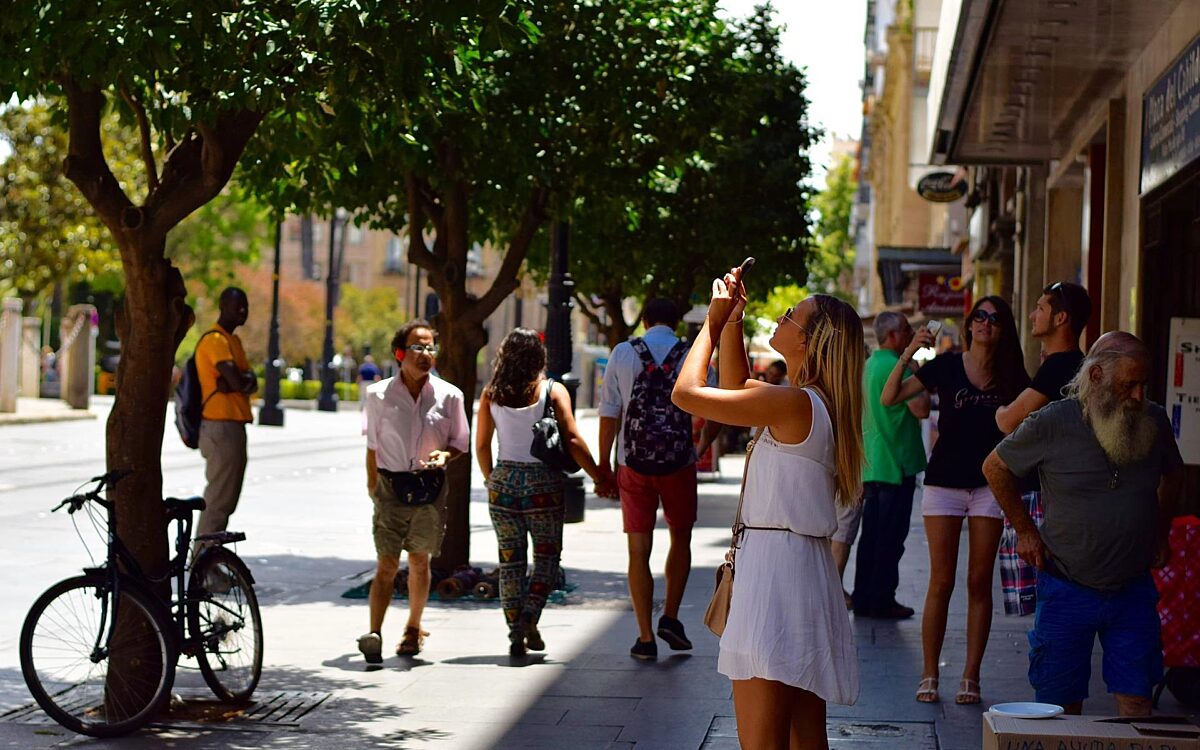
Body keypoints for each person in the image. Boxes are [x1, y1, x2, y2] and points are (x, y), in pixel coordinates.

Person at [673, 268, 863, 749]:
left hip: (775, 575)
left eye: (790, 317)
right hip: (801, 570)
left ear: (810, 342)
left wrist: (711, 326)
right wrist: (735, 320)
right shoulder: (811, 404)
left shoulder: (795, 404)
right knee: (804, 740)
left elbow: (686, 394)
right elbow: (739, 390)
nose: (779, 318)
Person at [983, 332, 1183, 717]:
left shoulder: (1153, 419)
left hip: (1132, 587)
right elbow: (995, 467)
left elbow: (1174, 475)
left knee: (1138, 702)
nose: (1139, 396)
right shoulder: (1054, 420)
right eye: (1128, 385)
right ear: (1095, 377)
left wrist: (1161, 531)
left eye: (1144, 384)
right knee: (1059, 708)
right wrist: (1025, 531)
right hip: (1065, 586)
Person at [881, 296, 1029, 705]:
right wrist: (910, 352)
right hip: (944, 483)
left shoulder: (1012, 374)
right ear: (968, 325)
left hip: (989, 485)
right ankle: (929, 674)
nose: (985, 323)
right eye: (979, 316)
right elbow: (889, 397)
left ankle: (971, 676)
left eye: (994, 318)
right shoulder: (945, 366)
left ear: (1003, 329)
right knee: (941, 580)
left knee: (979, 582)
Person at [475, 329, 615, 657]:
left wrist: (491, 480)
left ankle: (514, 630)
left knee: (510, 562)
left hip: (503, 483)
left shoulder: (490, 393)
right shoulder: (552, 391)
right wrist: (599, 476)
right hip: (544, 487)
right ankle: (529, 617)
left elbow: (481, 444)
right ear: (539, 355)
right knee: (547, 559)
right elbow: (574, 439)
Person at [357, 319, 470, 663]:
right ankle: (374, 632)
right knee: (386, 564)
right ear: (400, 353)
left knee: (420, 562)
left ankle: (412, 628)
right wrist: (373, 486)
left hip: (429, 488)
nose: (425, 354)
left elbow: (460, 442)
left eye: (430, 347)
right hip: (390, 487)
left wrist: (446, 455)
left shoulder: (450, 396)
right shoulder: (377, 395)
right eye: (418, 347)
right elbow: (372, 447)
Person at [598, 298, 701, 660]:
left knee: (638, 550)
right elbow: (714, 407)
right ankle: (671, 617)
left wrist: (604, 466)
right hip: (679, 464)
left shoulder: (623, 353)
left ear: (644, 321)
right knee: (681, 537)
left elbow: (609, 411)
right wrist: (700, 444)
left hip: (633, 464)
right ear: (676, 321)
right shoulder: (693, 353)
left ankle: (645, 636)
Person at [852, 312, 930, 619]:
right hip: (896, 465)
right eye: (908, 330)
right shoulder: (898, 368)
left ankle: (864, 597)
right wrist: (915, 368)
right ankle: (882, 598)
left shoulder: (868, 366)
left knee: (871, 537)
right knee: (889, 539)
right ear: (895, 336)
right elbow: (922, 409)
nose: (911, 335)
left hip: (872, 464)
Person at [194, 287, 256, 539]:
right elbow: (238, 381)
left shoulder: (234, 342)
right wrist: (240, 380)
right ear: (222, 306)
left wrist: (241, 380)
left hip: (233, 424)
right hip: (220, 425)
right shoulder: (215, 340)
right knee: (219, 500)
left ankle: (208, 561)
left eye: (245, 305)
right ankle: (202, 561)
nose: (243, 311)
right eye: (237, 305)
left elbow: (250, 382)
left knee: (226, 499)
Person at [996, 281, 1091, 434]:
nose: (1032, 316)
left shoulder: (1057, 367)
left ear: (1060, 318)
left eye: (1040, 309)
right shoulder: (1076, 362)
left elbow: (1007, 421)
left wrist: (999, 409)